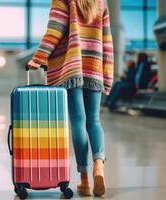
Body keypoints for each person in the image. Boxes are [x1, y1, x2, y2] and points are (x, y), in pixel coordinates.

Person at [28, 0, 113, 197]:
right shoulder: (101, 2)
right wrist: (107, 75)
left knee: (78, 121)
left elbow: (55, 29)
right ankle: (99, 165)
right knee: (94, 120)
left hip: (71, 65)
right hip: (95, 65)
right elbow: (107, 41)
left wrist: (39, 57)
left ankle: (84, 180)